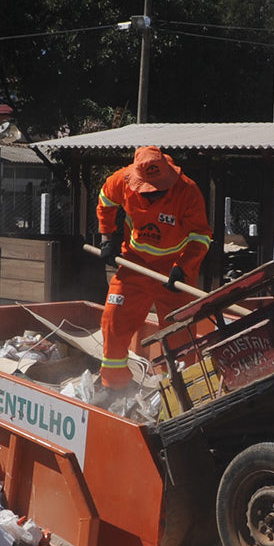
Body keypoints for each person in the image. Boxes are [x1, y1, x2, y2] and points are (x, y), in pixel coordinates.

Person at [95, 146, 213, 390]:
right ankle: (113, 385)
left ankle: (181, 389)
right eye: (147, 191)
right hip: (134, 264)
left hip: (173, 272)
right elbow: (105, 199)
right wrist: (107, 237)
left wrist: (183, 267)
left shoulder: (187, 191)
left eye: (158, 190)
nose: (152, 195)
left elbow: (200, 236)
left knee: (180, 334)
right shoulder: (122, 180)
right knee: (112, 320)